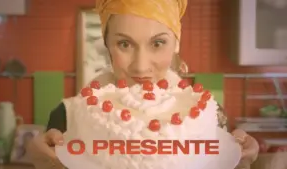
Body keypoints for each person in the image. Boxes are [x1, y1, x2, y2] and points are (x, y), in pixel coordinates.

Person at [26, 0, 259, 168]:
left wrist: (243, 160)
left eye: (157, 43)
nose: (140, 67)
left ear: (176, 43)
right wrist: (38, 160)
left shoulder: (207, 114)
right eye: (124, 44)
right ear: (107, 43)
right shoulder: (68, 115)